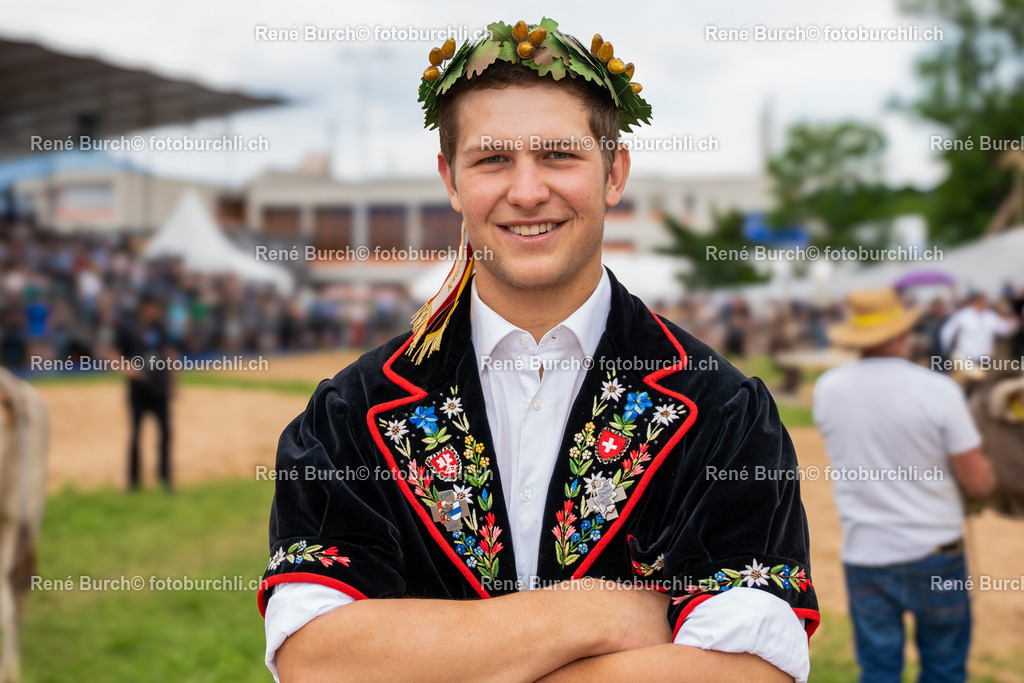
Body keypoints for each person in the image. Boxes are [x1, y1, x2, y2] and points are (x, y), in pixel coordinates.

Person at [260, 19, 818, 682]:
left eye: (558, 155)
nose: (526, 191)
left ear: (615, 172)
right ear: (451, 180)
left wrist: (436, 657)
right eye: (493, 159)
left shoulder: (723, 413)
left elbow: (751, 672)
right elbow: (319, 662)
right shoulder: (351, 414)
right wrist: (596, 615)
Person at [814, 288, 995, 682]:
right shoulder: (939, 391)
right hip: (935, 548)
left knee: (878, 669)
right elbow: (977, 482)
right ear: (903, 333)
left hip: (866, 551)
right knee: (944, 668)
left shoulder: (828, 389)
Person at [114, 293, 175, 491]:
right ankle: (133, 482)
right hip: (138, 390)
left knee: (166, 433)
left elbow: (168, 353)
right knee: (136, 435)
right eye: (154, 307)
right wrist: (126, 368)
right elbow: (114, 353)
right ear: (144, 307)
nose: (157, 311)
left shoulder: (160, 327)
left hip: (159, 388)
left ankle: (166, 480)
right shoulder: (127, 327)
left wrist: (174, 382)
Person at [940, 291, 1018, 363]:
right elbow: (948, 331)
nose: (986, 303)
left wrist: (1013, 323)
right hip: (966, 356)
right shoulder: (964, 315)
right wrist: (946, 348)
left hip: (985, 356)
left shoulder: (990, 316)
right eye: (983, 301)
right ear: (976, 301)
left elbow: (1003, 329)